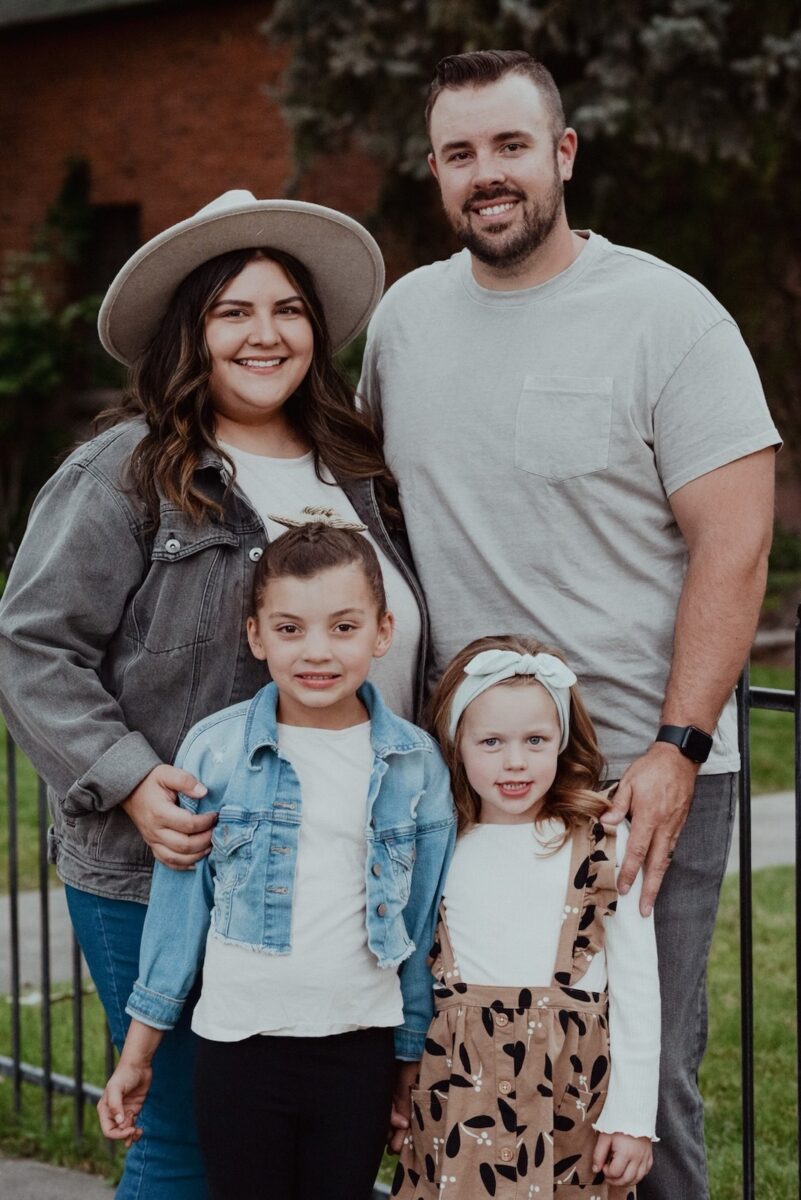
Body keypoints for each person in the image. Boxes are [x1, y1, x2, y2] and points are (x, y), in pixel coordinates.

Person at [359, 50, 780, 1199]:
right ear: (437, 172)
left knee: (634, 1085)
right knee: (460, 1062)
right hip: (462, 776)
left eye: (508, 146)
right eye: (459, 154)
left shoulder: (667, 315)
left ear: (561, 154)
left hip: (636, 777)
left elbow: (735, 544)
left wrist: (680, 745)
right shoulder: (403, 322)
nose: (485, 174)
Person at [0, 191, 430, 1198]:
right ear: (190, 332)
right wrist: (133, 779)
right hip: (169, 870)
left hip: (348, 880)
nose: (264, 332)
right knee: (188, 1142)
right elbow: (31, 645)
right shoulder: (132, 471)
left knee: (318, 1150)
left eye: (285, 308)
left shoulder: (358, 469)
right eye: (233, 310)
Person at [96, 515, 455, 1200]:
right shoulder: (217, 750)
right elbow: (179, 914)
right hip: (238, 1048)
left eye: (342, 627)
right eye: (290, 628)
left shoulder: (413, 764)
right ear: (256, 635)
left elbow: (419, 924)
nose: (315, 651)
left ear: (383, 632)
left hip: (359, 1045)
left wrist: (407, 1057)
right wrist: (138, 1053)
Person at [390, 635, 659, 1200]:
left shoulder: (601, 841)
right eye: (491, 741)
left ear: (562, 739)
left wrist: (631, 1118)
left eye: (535, 739)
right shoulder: (441, 842)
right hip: (458, 1089)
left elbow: (637, 989)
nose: (515, 761)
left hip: (573, 1094)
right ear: (456, 743)